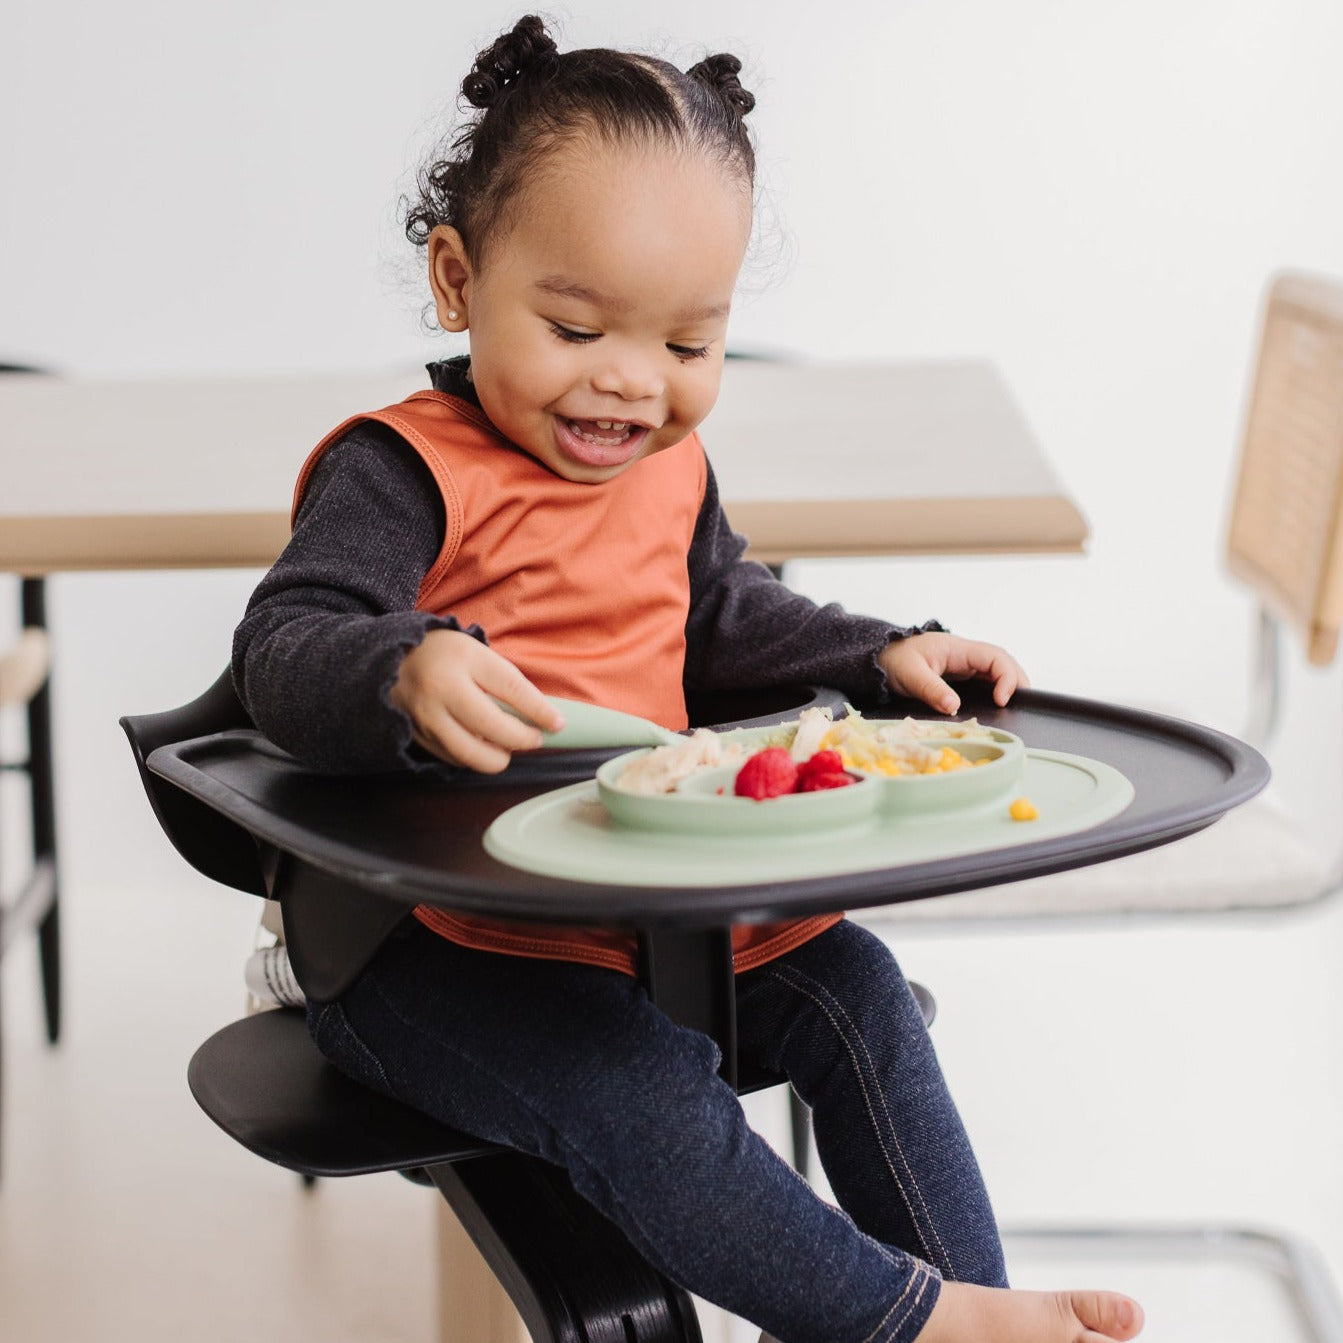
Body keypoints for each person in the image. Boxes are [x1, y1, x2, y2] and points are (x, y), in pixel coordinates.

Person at [233, 16, 1143, 1343]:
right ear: (456, 278)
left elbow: (720, 614)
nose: (629, 383)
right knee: (642, 1091)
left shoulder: (667, 468)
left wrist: (873, 655)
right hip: (426, 953)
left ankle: (970, 1307)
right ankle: (916, 1322)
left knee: (862, 994)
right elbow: (282, 645)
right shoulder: (405, 471)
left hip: (645, 913)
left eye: (686, 347)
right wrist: (400, 667)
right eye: (575, 325)